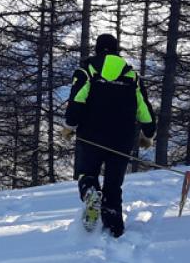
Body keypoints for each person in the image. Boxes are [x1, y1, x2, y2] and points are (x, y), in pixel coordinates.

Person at [63, 33, 156, 237]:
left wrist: (70, 125)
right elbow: (144, 109)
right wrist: (148, 134)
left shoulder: (87, 70)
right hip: (122, 138)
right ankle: (114, 226)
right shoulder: (131, 76)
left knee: (87, 173)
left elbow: (77, 100)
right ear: (116, 50)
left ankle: (90, 193)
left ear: (97, 49)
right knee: (114, 185)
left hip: (91, 135)